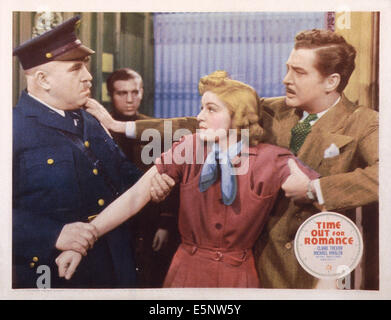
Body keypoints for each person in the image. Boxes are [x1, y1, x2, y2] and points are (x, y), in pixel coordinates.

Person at [86, 29, 379, 289]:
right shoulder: (272, 109)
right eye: (288, 68)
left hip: (314, 266)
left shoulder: (363, 123)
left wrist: (317, 189)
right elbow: (197, 123)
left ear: (332, 81)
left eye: (299, 72)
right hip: (258, 262)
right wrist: (121, 126)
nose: (285, 79)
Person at [56, 70, 319, 288]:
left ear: (237, 117)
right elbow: (136, 196)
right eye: (201, 107)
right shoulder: (189, 147)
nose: (200, 116)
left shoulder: (272, 159)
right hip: (186, 273)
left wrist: (329, 274)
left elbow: (324, 199)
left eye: (210, 109)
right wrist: (85, 240)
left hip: (239, 279)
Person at [12, 16, 142, 288]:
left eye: (86, 66)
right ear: (43, 80)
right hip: (57, 275)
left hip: (115, 266)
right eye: (75, 69)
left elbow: (123, 175)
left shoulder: (88, 120)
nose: (88, 76)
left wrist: (160, 179)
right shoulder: (12, 130)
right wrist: (51, 234)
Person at [97, 68, 179, 287]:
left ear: (142, 92)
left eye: (135, 92)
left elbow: (170, 178)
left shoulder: (153, 130)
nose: (130, 99)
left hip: (150, 218)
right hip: (111, 218)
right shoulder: (98, 130)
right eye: (122, 93)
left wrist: (165, 224)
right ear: (110, 95)